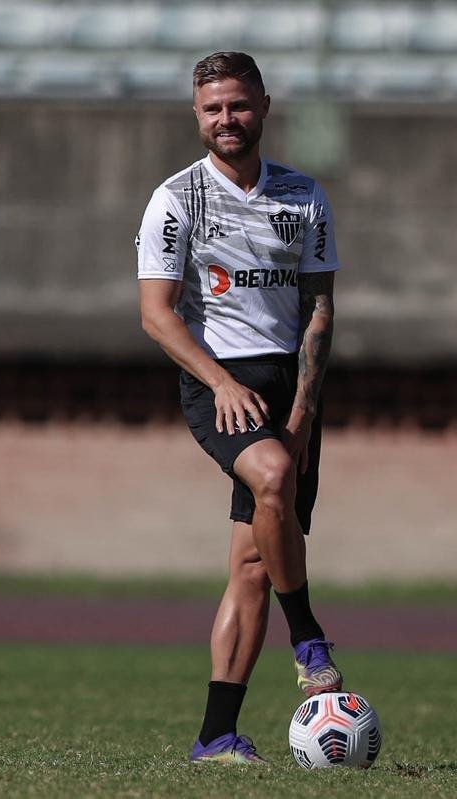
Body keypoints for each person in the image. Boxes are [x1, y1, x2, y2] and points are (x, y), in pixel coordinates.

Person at [136, 51, 343, 764]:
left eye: (239, 105)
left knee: (253, 562)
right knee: (273, 475)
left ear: (264, 107)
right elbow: (157, 315)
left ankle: (215, 735)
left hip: (290, 384)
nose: (227, 118)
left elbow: (320, 309)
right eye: (213, 108)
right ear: (197, 116)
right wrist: (221, 383)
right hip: (218, 383)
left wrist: (304, 412)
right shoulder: (176, 200)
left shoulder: (304, 196)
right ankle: (308, 636)